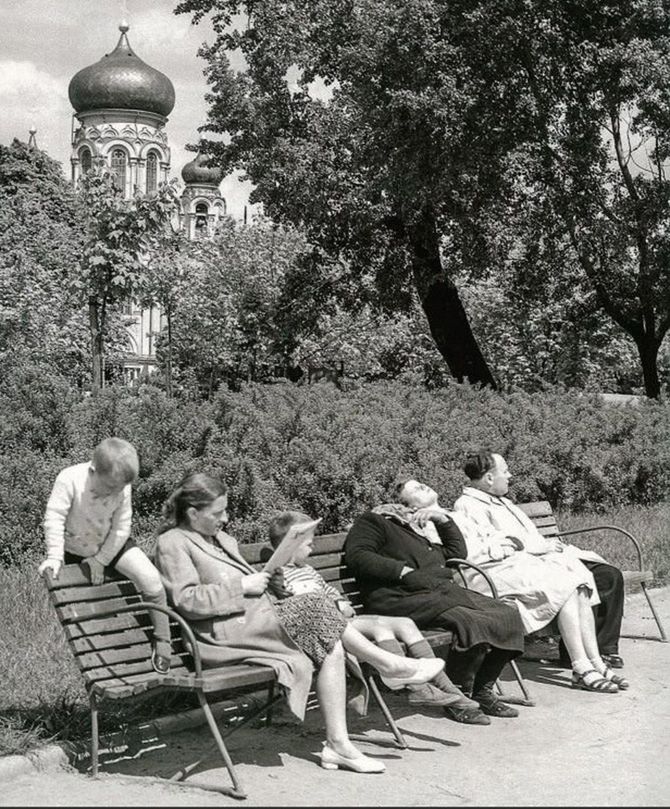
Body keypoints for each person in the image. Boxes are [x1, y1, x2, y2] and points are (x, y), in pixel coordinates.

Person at [154, 472, 445, 775]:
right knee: (317, 605)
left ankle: (338, 745)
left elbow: (248, 586)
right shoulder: (172, 543)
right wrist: (243, 586)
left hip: (257, 621)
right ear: (192, 513)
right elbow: (186, 600)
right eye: (218, 512)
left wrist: (271, 580)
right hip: (221, 635)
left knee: (331, 647)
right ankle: (389, 665)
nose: (225, 518)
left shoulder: (221, 539)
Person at [344, 479, 528, 725]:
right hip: (401, 597)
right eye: (417, 489)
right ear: (402, 502)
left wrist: (443, 521)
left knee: (508, 615)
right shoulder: (375, 521)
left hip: (438, 592)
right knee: (470, 622)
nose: (424, 487)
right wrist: (403, 572)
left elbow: (456, 554)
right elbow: (358, 556)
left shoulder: (417, 527)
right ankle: (458, 697)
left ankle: (482, 691)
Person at [267, 510, 479, 714]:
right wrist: (280, 587)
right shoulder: (276, 574)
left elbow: (327, 589)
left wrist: (340, 600)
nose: (312, 548)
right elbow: (288, 607)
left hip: (341, 619)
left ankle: (448, 688)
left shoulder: (308, 570)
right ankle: (415, 687)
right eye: (308, 544)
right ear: (290, 545)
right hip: (321, 627)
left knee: (405, 623)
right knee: (380, 629)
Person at [453, 450, 628, 686]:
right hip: (498, 570)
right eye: (505, 471)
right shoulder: (468, 506)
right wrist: (537, 548)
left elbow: (524, 538)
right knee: (569, 581)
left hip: (529, 561)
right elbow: (490, 548)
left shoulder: (504, 502)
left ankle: (594, 661)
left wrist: (544, 548)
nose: (510, 475)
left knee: (585, 578)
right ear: (489, 478)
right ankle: (581, 665)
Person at [38, 437, 172, 674]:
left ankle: (163, 641)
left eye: (121, 487)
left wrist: (101, 560)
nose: (116, 492)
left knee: (151, 578)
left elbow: (122, 527)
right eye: (111, 486)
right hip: (76, 549)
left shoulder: (122, 486)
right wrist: (54, 556)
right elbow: (54, 518)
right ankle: (105, 663)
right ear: (93, 470)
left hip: (113, 544)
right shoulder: (69, 479)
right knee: (87, 607)